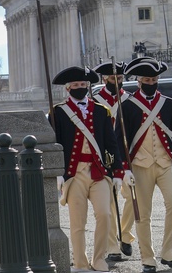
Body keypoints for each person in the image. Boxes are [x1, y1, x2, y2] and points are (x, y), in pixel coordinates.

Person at [50, 65, 125, 273]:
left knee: (105, 214)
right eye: (76, 85)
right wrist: (57, 172)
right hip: (74, 174)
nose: (80, 87)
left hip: (98, 171)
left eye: (83, 84)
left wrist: (118, 171)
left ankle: (99, 258)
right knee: (78, 222)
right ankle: (81, 263)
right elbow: (54, 145)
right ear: (68, 88)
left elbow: (111, 144)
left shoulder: (101, 111)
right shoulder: (58, 113)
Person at [118, 57, 172, 273]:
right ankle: (148, 258)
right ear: (139, 81)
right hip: (139, 163)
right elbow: (121, 139)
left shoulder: (168, 103)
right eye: (147, 79)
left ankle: (168, 251)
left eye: (154, 79)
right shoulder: (126, 106)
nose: (151, 82)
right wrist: (124, 169)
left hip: (166, 162)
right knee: (142, 213)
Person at [94, 60, 133, 264]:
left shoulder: (130, 100)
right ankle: (113, 248)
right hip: (105, 155)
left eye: (119, 79)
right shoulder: (96, 100)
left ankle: (125, 233)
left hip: (126, 155)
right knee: (108, 204)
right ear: (104, 79)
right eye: (112, 79)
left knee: (133, 198)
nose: (117, 82)